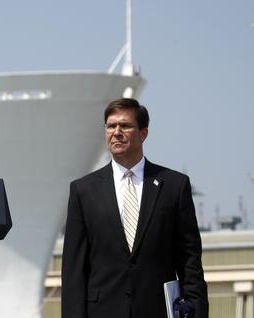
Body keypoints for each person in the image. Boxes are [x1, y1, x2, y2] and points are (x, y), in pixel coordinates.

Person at [61, 98, 208, 318]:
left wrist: (197, 311)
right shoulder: (83, 191)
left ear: (143, 133)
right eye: (111, 126)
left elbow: (190, 261)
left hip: (157, 310)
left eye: (125, 126)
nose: (116, 132)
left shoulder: (174, 186)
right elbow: (74, 271)